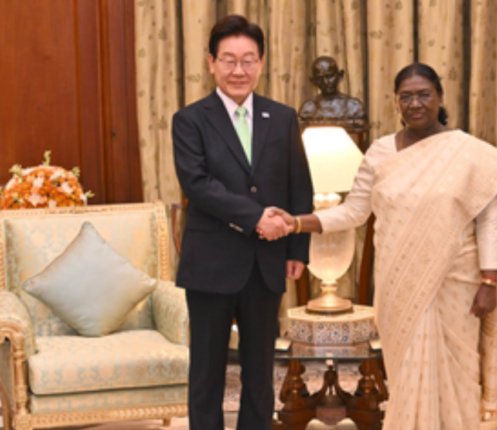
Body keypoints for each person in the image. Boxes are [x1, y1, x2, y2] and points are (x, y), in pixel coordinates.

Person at [268, 63, 497, 429]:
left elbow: (489, 221)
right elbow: (354, 212)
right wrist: (295, 222)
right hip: (398, 282)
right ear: (395, 102)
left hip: (455, 282)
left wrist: (489, 281)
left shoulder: (468, 153)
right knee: (405, 371)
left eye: (424, 95)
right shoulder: (380, 152)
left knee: (459, 371)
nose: (415, 103)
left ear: (440, 98)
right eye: (406, 97)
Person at [171, 15, 314, 430]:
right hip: (210, 263)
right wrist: (256, 218)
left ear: (261, 63)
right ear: (211, 63)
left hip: (266, 262)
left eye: (248, 60)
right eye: (229, 60)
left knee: (259, 372)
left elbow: (298, 183)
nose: (239, 70)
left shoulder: (282, 117)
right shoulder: (190, 120)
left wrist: (297, 248)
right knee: (207, 373)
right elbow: (198, 185)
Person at [298, 56, 366, 122]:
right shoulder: (308, 108)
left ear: (340, 76)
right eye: (319, 78)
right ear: (313, 81)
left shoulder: (353, 106)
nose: (325, 82)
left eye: (330, 76)